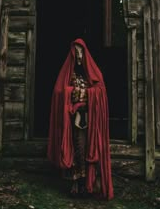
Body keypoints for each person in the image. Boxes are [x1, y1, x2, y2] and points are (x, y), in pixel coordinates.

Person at [47, 38, 114, 200]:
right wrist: (71, 92)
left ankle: (90, 184)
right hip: (73, 119)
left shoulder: (91, 72)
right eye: (75, 52)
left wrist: (87, 94)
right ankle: (77, 184)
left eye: (80, 52)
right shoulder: (68, 74)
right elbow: (59, 91)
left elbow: (101, 89)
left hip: (91, 119)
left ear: (85, 53)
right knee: (78, 148)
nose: (78, 55)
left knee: (89, 149)